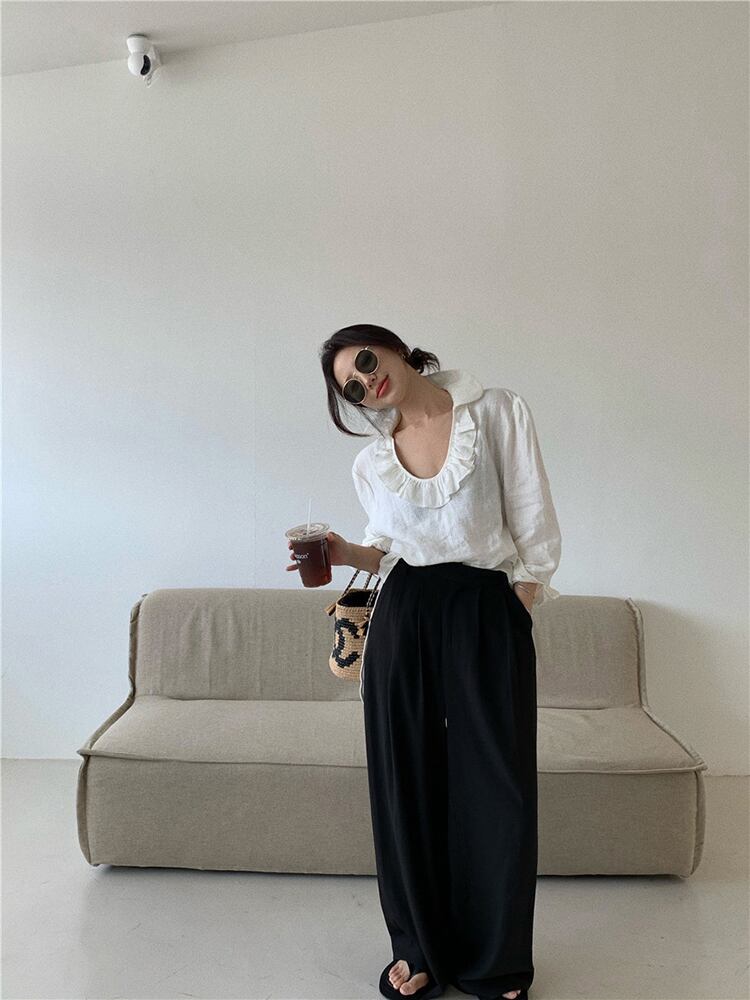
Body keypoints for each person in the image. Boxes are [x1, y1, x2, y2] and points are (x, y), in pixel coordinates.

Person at [286, 324, 562, 1000]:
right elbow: (389, 550)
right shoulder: (370, 464)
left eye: (367, 361)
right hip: (404, 613)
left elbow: (533, 522)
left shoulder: (496, 412)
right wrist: (344, 552)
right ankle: (418, 948)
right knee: (403, 781)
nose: (367, 381)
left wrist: (518, 604)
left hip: (484, 610)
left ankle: (497, 960)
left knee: (497, 786)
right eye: (352, 388)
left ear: (395, 348)